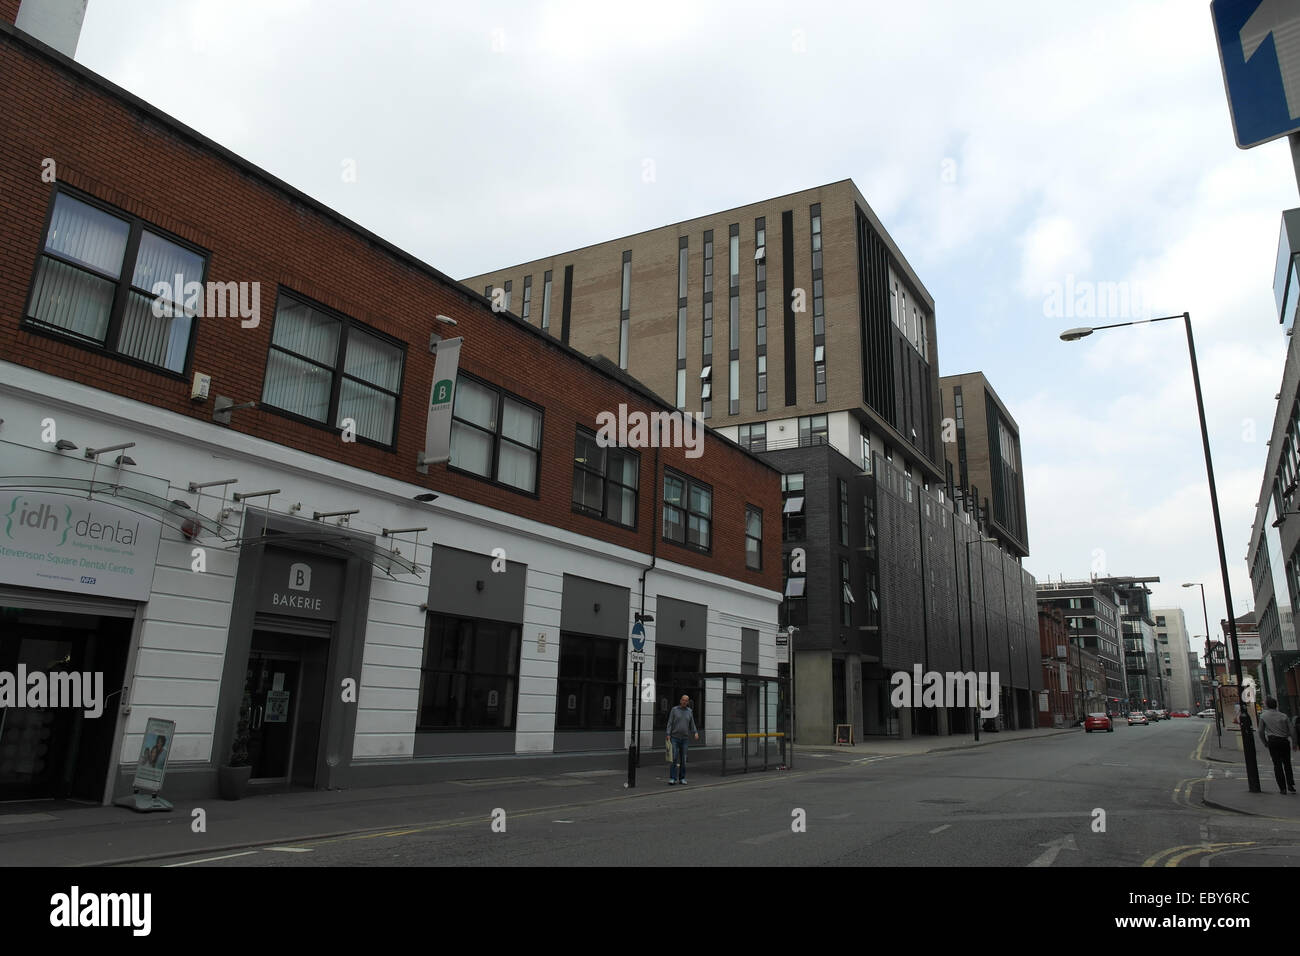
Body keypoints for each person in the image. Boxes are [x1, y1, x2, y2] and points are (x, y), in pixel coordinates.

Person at [1257, 697, 1297, 794]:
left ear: (1267, 705)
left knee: (1277, 765)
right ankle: (1290, 785)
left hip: (1273, 741)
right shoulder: (1284, 716)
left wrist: (1265, 742)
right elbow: (1292, 731)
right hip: (1284, 741)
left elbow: (1260, 731)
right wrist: (1294, 743)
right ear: (1276, 705)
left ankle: (1282, 788)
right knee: (1287, 764)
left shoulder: (1263, 716)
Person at [666, 694, 698, 785]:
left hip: (685, 739)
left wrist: (695, 732)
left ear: (688, 702)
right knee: (674, 758)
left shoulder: (689, 711)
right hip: (674, 738)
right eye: (683, 700)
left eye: (686, 700)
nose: (684, 702)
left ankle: (682, 778)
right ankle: (672, 778)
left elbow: (692, 724)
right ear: (680, 701)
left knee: (683, 759)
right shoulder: (674, 710)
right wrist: (668, 733)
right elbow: (670, 722)